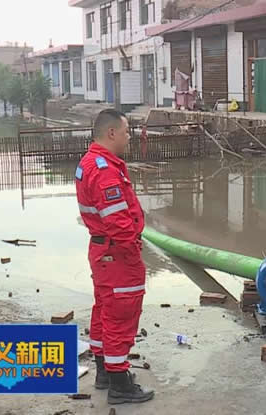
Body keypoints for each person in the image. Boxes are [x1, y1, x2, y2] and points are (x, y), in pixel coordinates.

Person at [75, 109, 154, 404]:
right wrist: (133, 252)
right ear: (111, 133)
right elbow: (118, 220)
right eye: (126, 131)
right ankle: (120, 383)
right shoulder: (105, 170)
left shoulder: (91, 163)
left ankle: (105, 371)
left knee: (105, 311)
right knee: (122, 314)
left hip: (103, 251)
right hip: (117, 255)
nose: (129, 136)